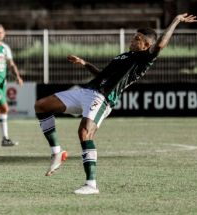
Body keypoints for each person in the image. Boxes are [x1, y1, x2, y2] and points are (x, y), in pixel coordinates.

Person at [34, 13, 197, 195]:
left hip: (102, 98)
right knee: (41, 105)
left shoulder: (143, 59)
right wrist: (85, 63)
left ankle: (91, 184)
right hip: (87, 91)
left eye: (138, 39)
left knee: (84, 133)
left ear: (146, 45)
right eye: (134, 37)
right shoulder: (123, 56)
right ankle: (57, 152)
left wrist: (175, 20)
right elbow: (102, 75)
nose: (133, 40)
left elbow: (160, 44)